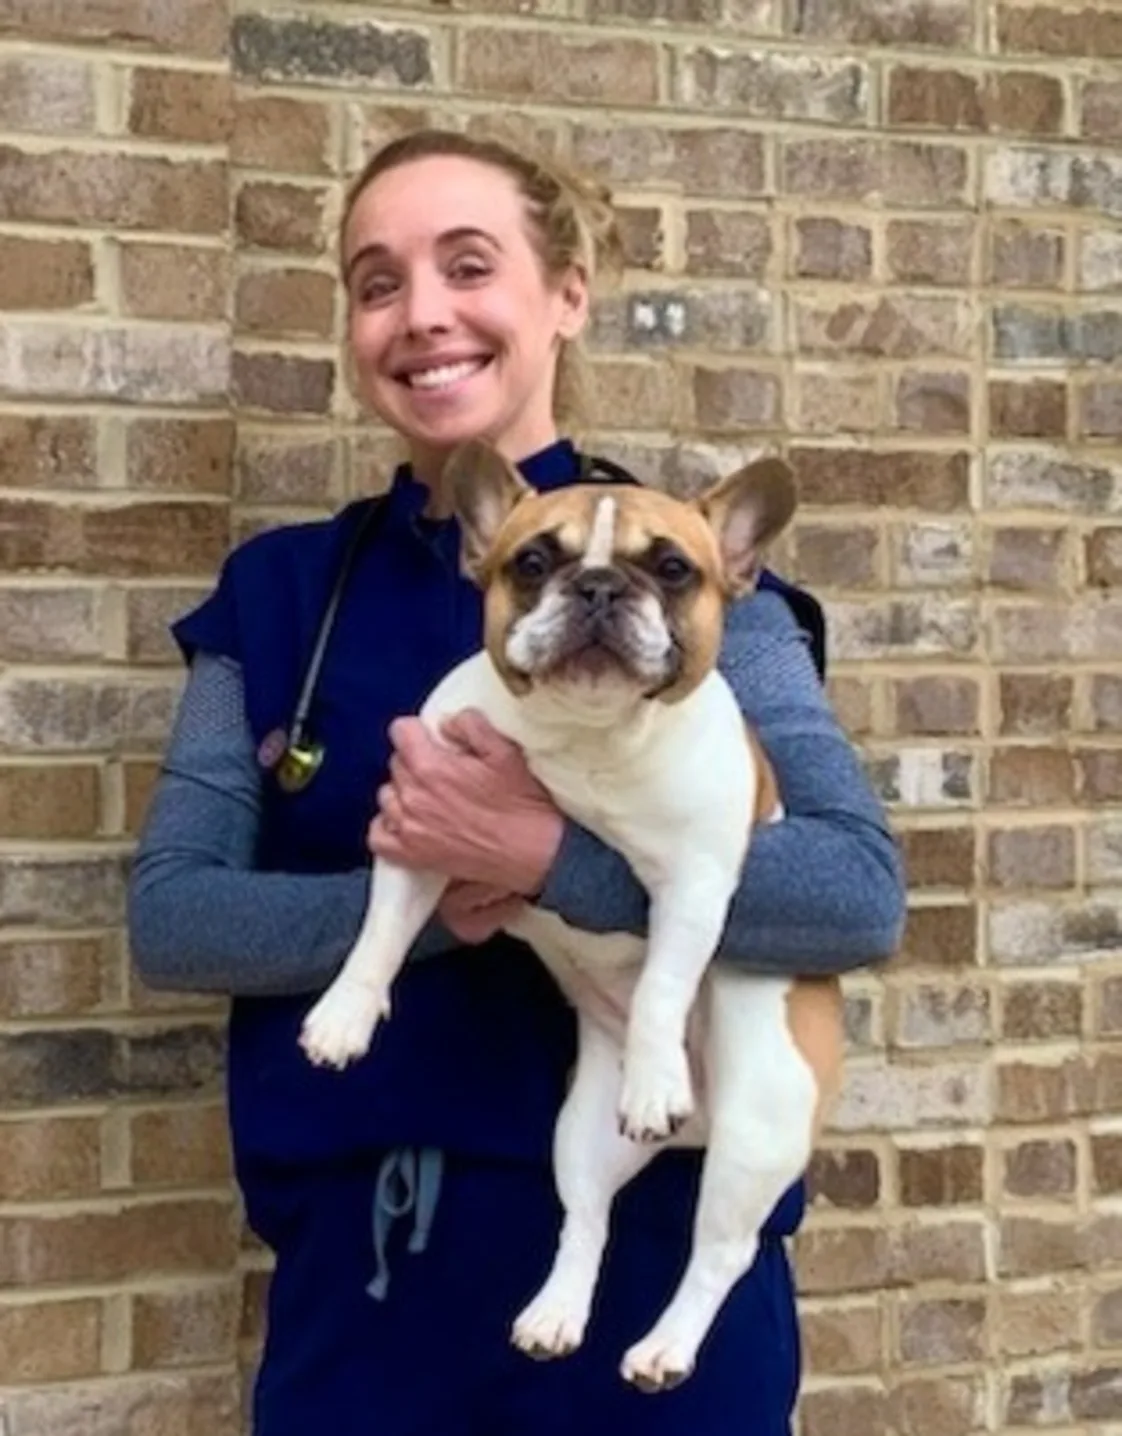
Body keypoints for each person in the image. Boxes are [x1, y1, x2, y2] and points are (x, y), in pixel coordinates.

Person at [127, 128, 906, 1436]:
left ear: (567, 295)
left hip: (648, 1274)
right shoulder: (273, 600)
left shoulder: (694, 577)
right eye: (377, 283)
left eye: (468, 266)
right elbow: (179, 920)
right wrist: (443, 899)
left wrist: (549, 860)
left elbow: (850, 895)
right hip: (359, 1290)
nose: (421, 312)